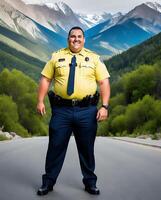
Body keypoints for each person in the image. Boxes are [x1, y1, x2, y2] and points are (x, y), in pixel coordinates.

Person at [36, 26, 110, 196]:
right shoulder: (56, 57)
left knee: (86, 149)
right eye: (72, 37)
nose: (76, 39)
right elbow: (46, 79)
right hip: (61, 111)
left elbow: (104, 82)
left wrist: (105, 106)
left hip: (87, 111)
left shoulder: (94, 59)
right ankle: (48, 183)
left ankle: (90, 183)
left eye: (79, 37)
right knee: (55, 147)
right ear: (68, 39)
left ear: (84, 40)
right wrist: (40, 100)